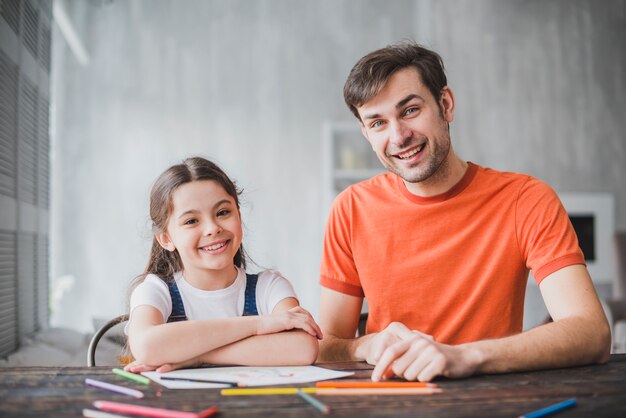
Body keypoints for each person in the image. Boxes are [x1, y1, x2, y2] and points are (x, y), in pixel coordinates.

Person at [317, 41, 610, 382]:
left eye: (410, 110)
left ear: (446, 104)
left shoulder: (526, 199)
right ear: (365, 133)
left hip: (491, 398)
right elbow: (327, 345)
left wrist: (464, 356)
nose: (398, 136)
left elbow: (592, 332)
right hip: (390, 399)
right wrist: (363, 347)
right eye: (378, 123)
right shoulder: (350, 209)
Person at [125, 157, 322, 373]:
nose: (212, 228)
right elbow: (147, 346)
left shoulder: (269, 287)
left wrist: (196, 356)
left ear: (239, 215)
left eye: (222, 213)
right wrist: (261, 324)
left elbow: (303, 348)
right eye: (191, 221)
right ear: (165, 239)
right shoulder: (155, 290)